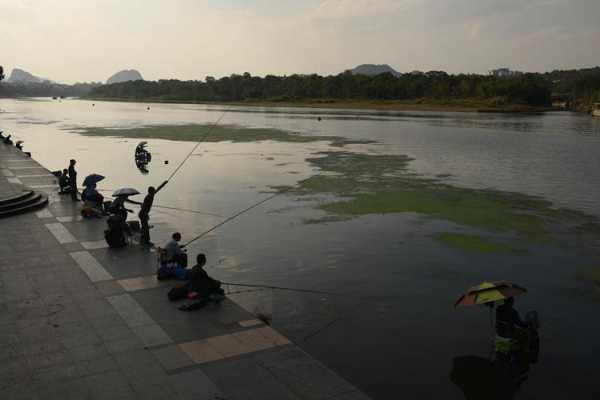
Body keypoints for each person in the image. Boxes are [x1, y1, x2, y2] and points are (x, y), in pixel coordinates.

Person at [128, 180, 167, 245]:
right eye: (153, 191)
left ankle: (143, 239)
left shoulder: (151, 195)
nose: (155, 191)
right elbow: (143, 208)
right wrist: (146, 215)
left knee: (144, 227)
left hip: (143, 213)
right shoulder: (148, 197)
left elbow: (158, 188)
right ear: (151, 191)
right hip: (143, 214)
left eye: (154, 191)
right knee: (145, 228)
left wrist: (164, 183)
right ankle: (146, 241)